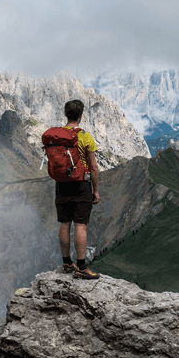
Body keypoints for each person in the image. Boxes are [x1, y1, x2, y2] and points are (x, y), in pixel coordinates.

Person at [56, 99, 100, 279]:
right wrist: (95, 190)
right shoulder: (85, 137)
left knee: (65, 223)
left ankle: (66, 264)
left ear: (66, 114)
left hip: (62, 184)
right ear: (81, 116)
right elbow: (94, 166)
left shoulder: (56, 136)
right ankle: (81, 267)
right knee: (80, 225)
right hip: (81, 184)